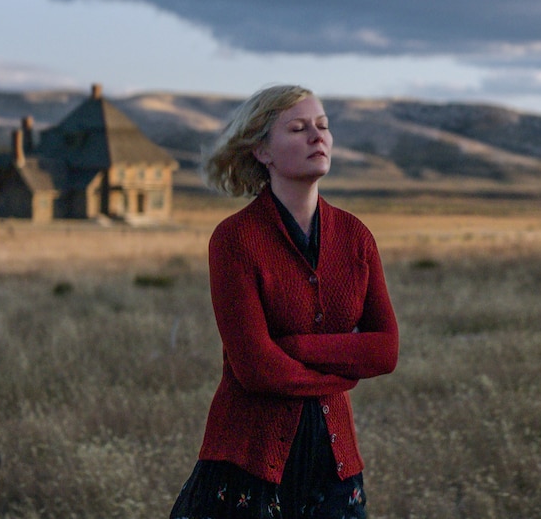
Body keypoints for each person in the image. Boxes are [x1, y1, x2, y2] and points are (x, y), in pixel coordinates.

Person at [170, 85, 399, 519]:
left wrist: (294, 348)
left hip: (336, 468)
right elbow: (256, 370)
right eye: (298, 128)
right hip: (246, 465)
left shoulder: (356, 237)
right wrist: (344, 368)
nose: (317, 137)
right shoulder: (235, 239)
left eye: (323, 126)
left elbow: (385, 351)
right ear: (262, 152)